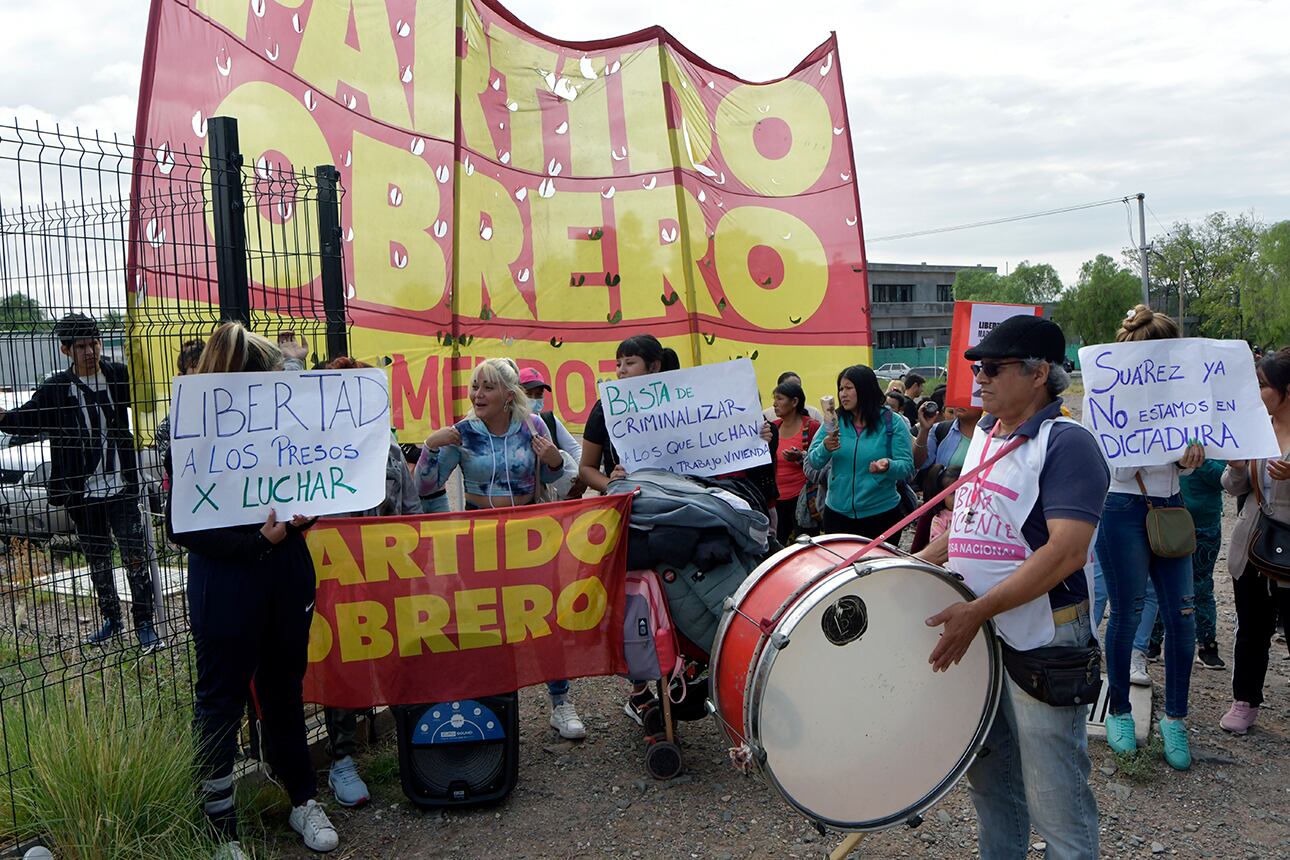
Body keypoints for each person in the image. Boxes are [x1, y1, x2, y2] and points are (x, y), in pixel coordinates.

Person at [916, 315, 1105, 859]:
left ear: (1039, 372)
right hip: (984, 638)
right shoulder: (987, 435)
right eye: (978, 367)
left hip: (1044, 640)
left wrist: (976, 610)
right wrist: (902, 567)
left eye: (994, 368)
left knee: (1056, 801)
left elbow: (1067, 552)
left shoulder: (1068, 444)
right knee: (992, 787)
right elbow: (968, 530)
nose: (980, 378)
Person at [167, 323, 338, 857]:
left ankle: (302, 799)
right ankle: (219, 828)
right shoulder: (188, 426)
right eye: (263, 374)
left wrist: (303, 517)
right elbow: (183, 526)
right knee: (220, 701)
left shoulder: (281, 421)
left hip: (286, 573)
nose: (271, 384)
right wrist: (255, 545)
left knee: (284, 689)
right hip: (227, 582)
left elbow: (304, 487)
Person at [417, 358, 586, 740]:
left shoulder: (534, 426)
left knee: (543, 615)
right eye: (475, 386)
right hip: (478, 536)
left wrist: (555, 460)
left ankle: (561, 703)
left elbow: (563, 481)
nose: (477, 394)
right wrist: (430, 447)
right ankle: (485, 709)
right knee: (483, 619)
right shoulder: (462, 433)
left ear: (509, 396)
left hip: (529, 533)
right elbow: (426, 488)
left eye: (487, 387)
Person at [0, 313, 159, 651]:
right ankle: (111, 619)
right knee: (98, 559)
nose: (91, 351)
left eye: (94, 343)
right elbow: (27, 420)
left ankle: (144, 623)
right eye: (82, 346)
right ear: (65, 350)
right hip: (81, 492)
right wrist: (3, 417)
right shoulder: (57, 388)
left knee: (134, 556)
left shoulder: (117, 375)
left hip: (122, 486)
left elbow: (147, 397)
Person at [1096, 306, 1201, 770]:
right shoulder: (1110, 391)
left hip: (1170, 506)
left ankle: (1175, 719)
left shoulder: (1186, 391)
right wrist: (1150, 445)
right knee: (1126, 611)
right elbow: (1114, 463)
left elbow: (1206, 446)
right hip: (1122, 508)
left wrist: (1190, 458)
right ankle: (1119, 709)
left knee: (1183, 618)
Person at [318, 356, 421, 808]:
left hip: (390, 580)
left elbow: (413, 512)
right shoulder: (310, 452)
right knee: (340, 666)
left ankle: (416, 746)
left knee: (401, 663)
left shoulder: (390, 449)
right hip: (336, 586)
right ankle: (341, 759)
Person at [1218, 346, 1290, 735]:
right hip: (1254, 545)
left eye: (1263, 386)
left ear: (1287, 390)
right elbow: (1234, 487)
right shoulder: (1256, 427)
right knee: (1251, 628)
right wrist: (1237, 468)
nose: (1256, 393)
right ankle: (1245, 701)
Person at [1137, 457, 1227, 670]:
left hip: (1205, 524)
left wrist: (1198, 460)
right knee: (1161, 581)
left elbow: (1223, 479)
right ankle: (1153, 640)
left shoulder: (1218, 437)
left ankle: (1207, 644)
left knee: (1201, 584)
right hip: (1169, 519)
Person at [806, 365, 914, 542]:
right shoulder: (834, 420)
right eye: (841, 389)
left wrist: (888, 465)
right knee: (843, 568)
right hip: (837, 514)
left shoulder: (892, 422)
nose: (843, 394)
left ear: (865, 389)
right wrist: (825, 448)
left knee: (878, 568)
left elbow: (907, 466)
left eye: (849, 388)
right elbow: (813, 461)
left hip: (881, 514)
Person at [579, 335, 681, 493]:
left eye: (630, 363)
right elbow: (586, 468)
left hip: (681, 497)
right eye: (618, 364)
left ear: (654, 366)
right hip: (626, 507)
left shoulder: (682, 404)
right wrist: (614, 486)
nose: (621, 371)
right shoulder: (604, 408)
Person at [910, 404, 983, 552]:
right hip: (939, 510)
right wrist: (924, 430)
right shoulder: (940, 430)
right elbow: (919, 463)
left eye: (967, 398)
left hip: (977, 516)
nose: (959, 402)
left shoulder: (996, 436)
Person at [519, 367, 585, 500]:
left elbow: (575, 449)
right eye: (528, 394)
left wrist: (582, 475)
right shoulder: (511, 426)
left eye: (539, 394)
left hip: (553, 499)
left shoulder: (548, 420)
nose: (534, 399)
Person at [770, 380, 821, 544]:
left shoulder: (812, 427)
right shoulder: (773, 428)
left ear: (794, 402)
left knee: (805, 546)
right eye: (774, 399)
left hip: (803, 500)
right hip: (776, 500)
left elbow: (820, 461)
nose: (774, 404)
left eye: (779, 399)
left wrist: (800, 457)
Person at [154, 338, 205, 464]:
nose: (201, 371)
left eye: (205, 365)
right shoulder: (170, 425)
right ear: (181, 377)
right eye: (194, 366)